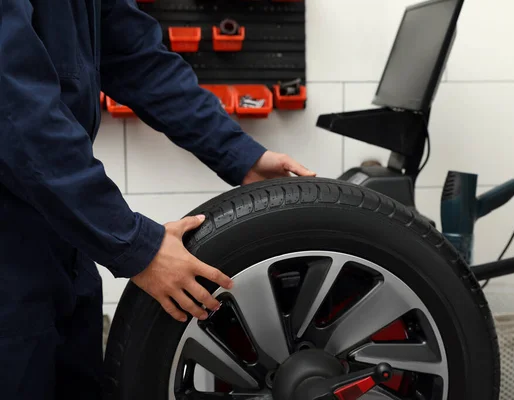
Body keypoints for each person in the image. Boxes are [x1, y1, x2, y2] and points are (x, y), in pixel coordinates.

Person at [0, 1, 315, 399]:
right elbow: (15, 112)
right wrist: (137, 246)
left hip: (63, 235)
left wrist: (240, 155)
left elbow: (138, 59)